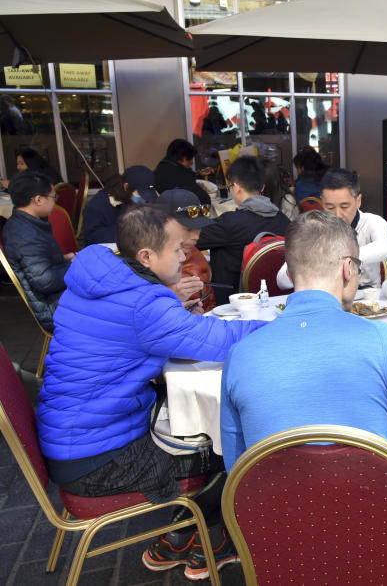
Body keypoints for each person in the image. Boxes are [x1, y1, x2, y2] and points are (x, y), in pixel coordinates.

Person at [36, 205, 265, 580]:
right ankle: (207, 538)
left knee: (197, 422)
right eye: (178, 249)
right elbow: (222, 339)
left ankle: (181, 538)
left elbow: (125, 332)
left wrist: (171, 312)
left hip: (70, 438)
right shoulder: (146, 303)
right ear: (146, 256)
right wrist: (290, 325)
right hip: (100, 462)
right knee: (232, 445)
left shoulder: (96, 273)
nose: (186, 256)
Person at [220, 210, 387, 473]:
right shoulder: (383, 341)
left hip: (275, 511)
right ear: (349, 269)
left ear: (289, 275)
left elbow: (237, 468)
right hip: (372, 508)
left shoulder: (239, 355)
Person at [196, 156, 291, 304]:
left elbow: (193, 239)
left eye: (230, 188)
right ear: (263, 187)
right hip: (278, 301)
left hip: (233, 303)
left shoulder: (230, 223)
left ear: (236, 187)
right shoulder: (284, 221)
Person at [277, 168, 387, 289]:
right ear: (322, 202)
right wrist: (310, 263)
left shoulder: (371, 222)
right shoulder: (312, 229)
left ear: (358, 201)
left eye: (344, 206)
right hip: (327, 302)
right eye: (330, 207)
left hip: (369, 302)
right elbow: (282, 281)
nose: (337, 215)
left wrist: (341, 258)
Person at [1, 171, 71, 331]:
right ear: (38, 199)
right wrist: (77, 266)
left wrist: (64, 258)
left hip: (58, 298)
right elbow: (45, 281)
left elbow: (38, 264)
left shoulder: (27, 225)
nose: (55, 202)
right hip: (53, 308)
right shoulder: (24, 234)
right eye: (54, 197)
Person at [155, 189, 218, 314]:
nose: (196, 236)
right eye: (188, 229)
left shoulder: (195, 253)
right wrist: (172, 298)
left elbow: (210, 305)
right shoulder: (146, 263)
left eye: (199, 228)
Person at [81, 166, 158, 245]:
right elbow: (91, 237)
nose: (143, 199)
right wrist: (128, 230)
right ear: (126, 187)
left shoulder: (134, 198)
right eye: (140, 193)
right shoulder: (98, 205)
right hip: (106, 251)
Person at [153, 139, 213, 206]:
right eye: (190, 159)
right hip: (179, 213)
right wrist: (202, 190)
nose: (191, 163)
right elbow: (205, 201)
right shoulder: (181, 174)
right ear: (184, 158)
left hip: (161, 210)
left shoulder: (161, 168)